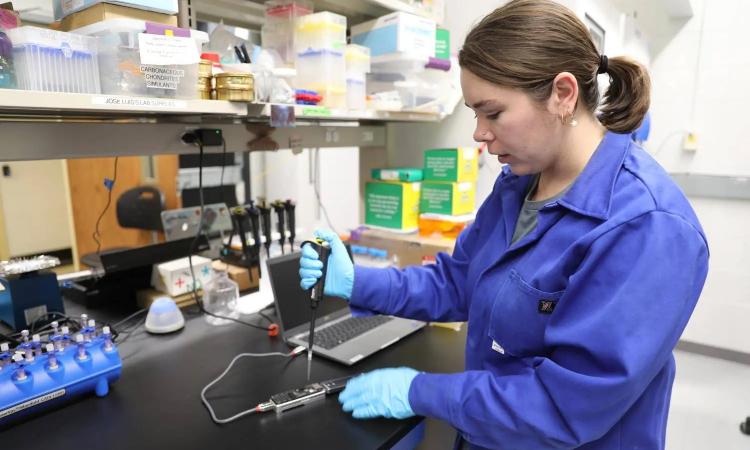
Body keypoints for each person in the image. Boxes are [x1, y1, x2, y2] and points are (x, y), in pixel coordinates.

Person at [299, 1, 709, 448]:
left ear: (563, 94)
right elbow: (458, 284)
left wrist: (419, 391)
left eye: (493, 113)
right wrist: (358, 283)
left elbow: (563, 406)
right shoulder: (519, 183)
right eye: (475, 113)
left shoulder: (647, 228)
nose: (479, 132)